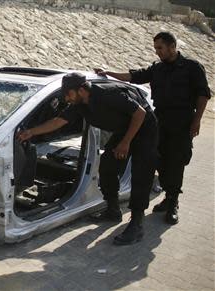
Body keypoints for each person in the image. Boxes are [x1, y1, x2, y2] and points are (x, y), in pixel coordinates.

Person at [18, 73, 158, 245]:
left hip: (144, 128)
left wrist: (125, 143)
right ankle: (113, 210)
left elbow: (140, 113)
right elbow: (58, 121)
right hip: (124, 129)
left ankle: (137, 224)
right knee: (107, 166)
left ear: (82, 90)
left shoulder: (108, 94)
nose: (66, 98)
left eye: (69, 94)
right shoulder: (79, 104)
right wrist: (31, 132)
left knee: (141, 174)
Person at [95, 31, 211, 225]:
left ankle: (172, 202)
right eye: (156, 48)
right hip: (160, 121)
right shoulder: (157, 68)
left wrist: (197, 121)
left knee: (176, 160)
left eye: (160, 48)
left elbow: (203, 95)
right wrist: (108, 74)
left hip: (182, 122)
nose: (157, 52)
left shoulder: (192, 67)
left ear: (172, 46)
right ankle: (167, 195)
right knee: (158, 159)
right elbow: (134, 76)